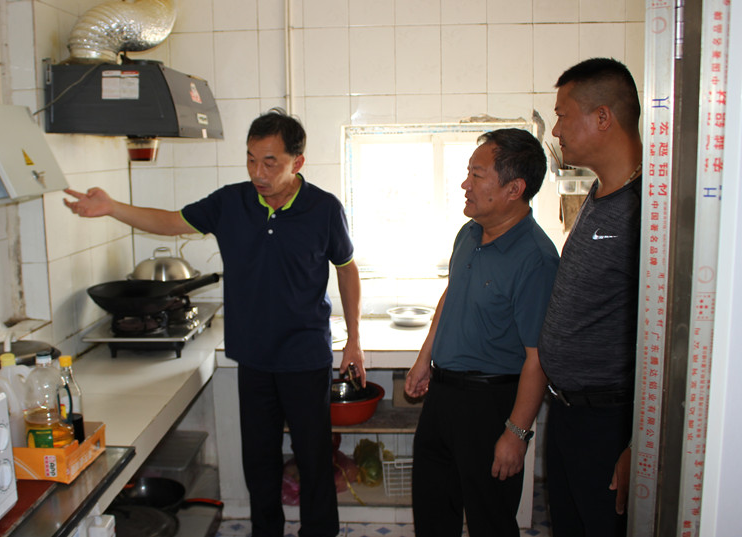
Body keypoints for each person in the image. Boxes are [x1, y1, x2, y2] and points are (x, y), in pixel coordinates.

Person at [64, 109, 366, 537]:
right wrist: (112, 207)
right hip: (253, 356)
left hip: (304, 356)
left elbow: (347, 269)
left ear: (297, 162)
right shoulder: (230, 203)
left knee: (313, 458)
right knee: (259, 460)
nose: (257, 173)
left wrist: (354, 338)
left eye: (270, 163)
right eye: (251, 160)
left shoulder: (324, 209)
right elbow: (170, 221)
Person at [404, 128, 559, 537]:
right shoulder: (469, 233)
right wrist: (424, 359)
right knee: (433, 512)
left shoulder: (536, 259)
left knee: (490, 521)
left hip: (490, 404)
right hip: (443, 395)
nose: (465, 184)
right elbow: (451, 293)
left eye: (476, 175)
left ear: (514, 189)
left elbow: (538, 358)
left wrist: (516, 434)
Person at [537, 58, 644, 537]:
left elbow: (666, 339)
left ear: (603, 117)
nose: (557, 129)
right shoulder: (599, 193)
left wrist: (638, 443)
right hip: (567, 414)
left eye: (563, 115)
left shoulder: (647, 210)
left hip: (609, 422)